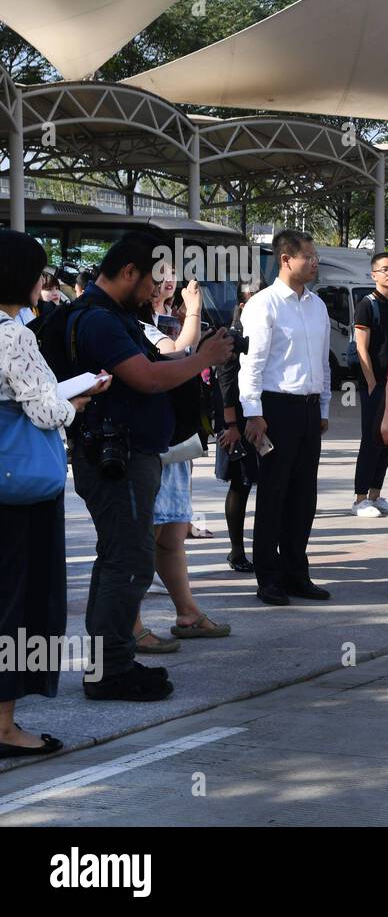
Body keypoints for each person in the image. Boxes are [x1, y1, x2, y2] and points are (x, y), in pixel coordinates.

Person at [68, 231, 233, 700]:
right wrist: (202, 357)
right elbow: (146, 378)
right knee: (130, 561)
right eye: (153, 281)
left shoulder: (114, 316)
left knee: (119, 558)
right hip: (114, 458)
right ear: (128, 272)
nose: (155, 292)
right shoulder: (99, 320)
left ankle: (110, 664)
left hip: (128, 453)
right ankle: (111, 670)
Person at [0, 230, 111, 757]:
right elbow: (44, 409)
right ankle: (3, 726)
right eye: (39, 272)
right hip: (19, 492)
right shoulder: (13, 334)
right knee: (19, 604)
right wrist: (81, 400)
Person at [133, 273, 230, 652]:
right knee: (143, 539)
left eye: (169, 274)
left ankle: (187, 612)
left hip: (173, 445)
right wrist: (194, 313)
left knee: (173, 534)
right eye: (155, 276)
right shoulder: (133, 325)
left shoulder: (165, 317)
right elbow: (176, 352)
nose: (165, 282)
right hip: (148, 446)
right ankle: (132, 623)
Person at [239, 230, 332, 607]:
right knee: (274, 496)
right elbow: (252, 364)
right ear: (285, 259)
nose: (314, 262)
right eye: (307, 256)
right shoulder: (264, 305)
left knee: (303, 496)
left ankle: (297, 572)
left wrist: (324, 407)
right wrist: (253, 412)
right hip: (276, 409)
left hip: (309, 410)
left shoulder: (318, 306)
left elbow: (324, 362)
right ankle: (269, 577)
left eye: (315, 256)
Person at [351, 252, 388, 519]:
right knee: (371, 440)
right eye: (384, 270)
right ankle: (360, 498)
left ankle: (375, 494)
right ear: (373, 275)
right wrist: (372, 383)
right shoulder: (366, 305)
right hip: (375, 384)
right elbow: (361, 347)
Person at [214, 283, 258, 573]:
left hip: (260, 416)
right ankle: (237, 550)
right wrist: (231, 426)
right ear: (241, 306)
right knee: (240, 483)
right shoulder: (233, 338)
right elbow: (226, 384)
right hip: (236, 421)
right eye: (253, 300)